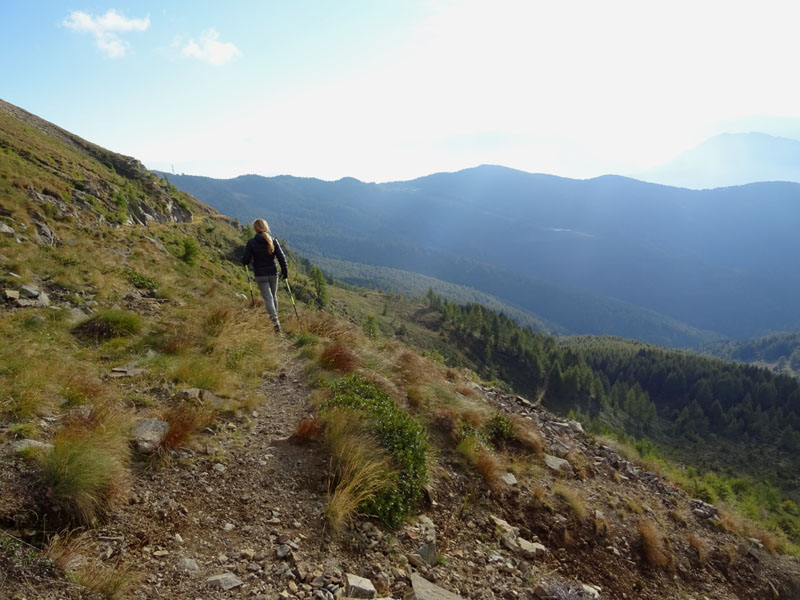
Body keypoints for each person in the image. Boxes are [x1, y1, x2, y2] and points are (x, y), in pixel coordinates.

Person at [242, 218, 288, 332]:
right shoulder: (272, 240)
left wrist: (242, 259)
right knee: (274, 297)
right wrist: (285, 271)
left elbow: (246, 260)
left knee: (268, 299)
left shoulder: (251, 242)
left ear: (255, 228)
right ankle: (275, 321)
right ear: (265, 227)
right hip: (273, 273)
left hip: (260, 275)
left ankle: (275, 322)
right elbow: (282, 258)